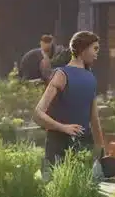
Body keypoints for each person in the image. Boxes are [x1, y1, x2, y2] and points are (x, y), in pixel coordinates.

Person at [34, 31, 104, 169]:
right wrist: (63, 127)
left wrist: (101, 148)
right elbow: (38, 113)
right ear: (83, 48)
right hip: (59, 144)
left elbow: (94, 118)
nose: (97, 53)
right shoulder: (61, 75)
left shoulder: (91, 78)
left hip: (83, 145)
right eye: (94, 49)